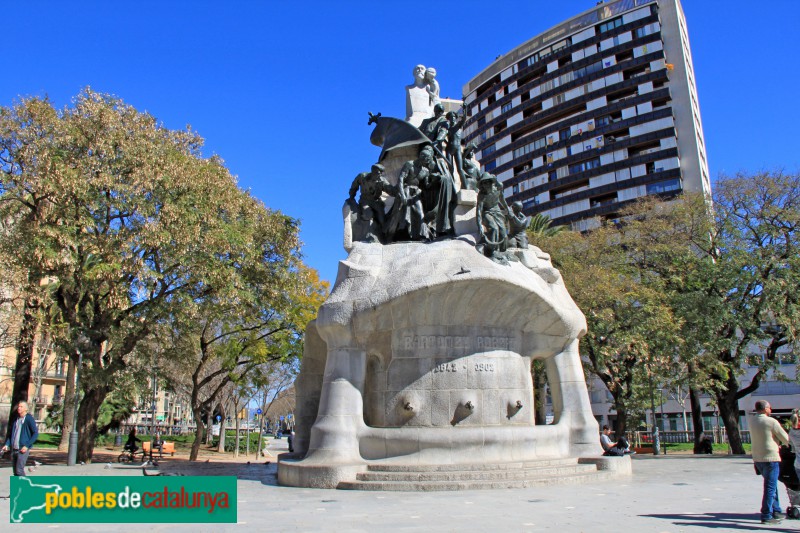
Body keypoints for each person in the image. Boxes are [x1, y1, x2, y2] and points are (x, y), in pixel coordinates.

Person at [749, 400, 789, 524]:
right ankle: (766, 514)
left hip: (758, 457)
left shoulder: (752, 421)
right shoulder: (771, 421)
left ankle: (776, 510)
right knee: (770, 487)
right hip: (771, 457)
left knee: (771, 483)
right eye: (770, 408)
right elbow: (785, 438)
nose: (771, 410)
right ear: (765, 408)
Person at [2, 401, 39, 476]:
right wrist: (7, 444)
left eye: (21, 407)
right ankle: (18, 487)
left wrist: (27, 445)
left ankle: (24, 487)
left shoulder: (29, 419)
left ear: (26, 409)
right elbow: (12, 434)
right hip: (14, 449)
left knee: (19, 470)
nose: (19, 408)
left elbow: (35, 433)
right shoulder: (16, 419)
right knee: (15, 472)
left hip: (22, 449)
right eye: (18, 406)